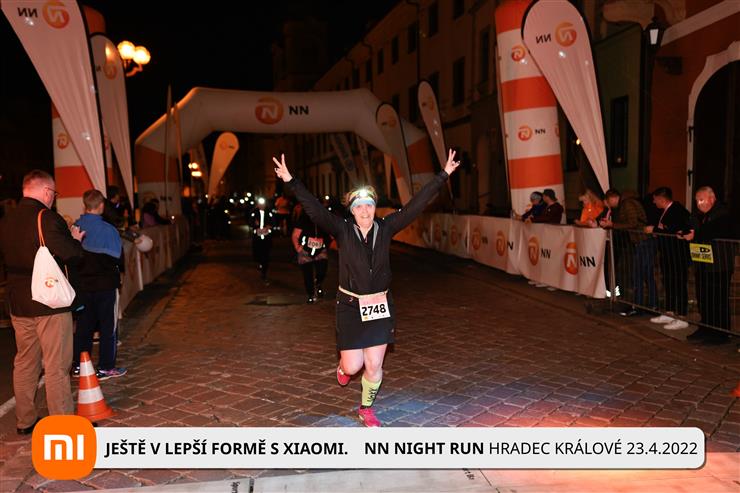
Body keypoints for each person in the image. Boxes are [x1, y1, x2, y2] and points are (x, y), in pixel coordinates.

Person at [273, 149, 460, 427]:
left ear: (374, 208)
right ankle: (343, 368)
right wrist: (291, 180)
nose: (365, 211)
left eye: (369, 205)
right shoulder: (342, 229)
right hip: (350, 305)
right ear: (352, 210)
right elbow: (314, 208)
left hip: (379, 306)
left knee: (374, 365)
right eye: (359, 206)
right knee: (353, 366)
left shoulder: (386, 227)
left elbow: (415, 206)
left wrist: (442, 175)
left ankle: (366, 408)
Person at [0, 170, 85, 434]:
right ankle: (63, 424)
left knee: (25, 362)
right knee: (56, 365)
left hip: (18, 301)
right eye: (54, 193)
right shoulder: (47, 217)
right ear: (47, 192)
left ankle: (25, 421)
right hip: (49, 301)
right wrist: (75, 240)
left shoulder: (6, 219)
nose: (53, 198)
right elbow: (71, 255)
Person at [72, 190, 127, 380]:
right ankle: (105, 367)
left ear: (85, 205)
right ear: (102, 205)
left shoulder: (75, 227)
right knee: (107, 327)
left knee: (83, 327)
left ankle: (79, 365)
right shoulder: (109, 230)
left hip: (83, 285)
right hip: (105, 285)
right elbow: (118, 258)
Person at [680, 186, 735, 344]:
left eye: (701, 200)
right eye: (697, 200)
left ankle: (720, 333)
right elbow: (689, 226)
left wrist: (695, 234)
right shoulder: (699, 216)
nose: (698, 203)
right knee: (703, 298)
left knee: (718, 300)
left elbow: (712, 230)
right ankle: (705, 327)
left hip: (719, 266)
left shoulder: (722, 213)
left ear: (712, 198)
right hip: (703, 264)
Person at [646, 187, 692, 330]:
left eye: (655, 199)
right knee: (669, 282)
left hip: (678, 255)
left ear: (662, 199)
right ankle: (670, 311)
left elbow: (677, 230)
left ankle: (682, 315)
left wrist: (654, 230)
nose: (654, 202)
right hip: (668, 254)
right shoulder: (665, 211)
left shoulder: (677, 210)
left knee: (679, 283)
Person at [292, 202, 333, 303]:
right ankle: (311, 295)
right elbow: (295, 235)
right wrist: (298, 247)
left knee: (322, 271)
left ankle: (318, 283)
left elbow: (331, 233)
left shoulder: (323, 220)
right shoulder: (303, 219)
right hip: (305, 251)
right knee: (307, 275)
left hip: (320, 250)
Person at [250, 197, 274, 283]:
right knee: (258, 251)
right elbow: (250, 221)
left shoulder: (269, 212)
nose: (262, 206)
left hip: (266, 236)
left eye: (263, 204)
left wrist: (269, 226)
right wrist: (254, 224)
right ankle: (260, 261)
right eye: (260, 204)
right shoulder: (254, 212)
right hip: (257, 236)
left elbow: (273, 221)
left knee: (266, 253)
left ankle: (264, 269)